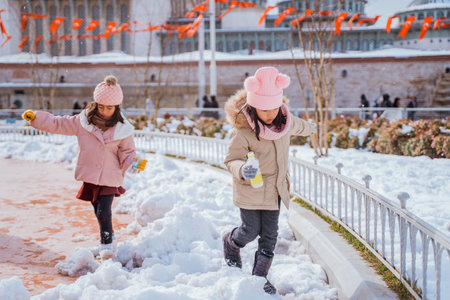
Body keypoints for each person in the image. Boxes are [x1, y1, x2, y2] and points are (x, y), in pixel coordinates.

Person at [21, 75, 147, 261]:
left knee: (105, 211)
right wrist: (37, 118)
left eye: (109, 108)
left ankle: (106, 244)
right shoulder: (83, 122)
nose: (105, 111)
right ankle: (110, 237)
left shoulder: (123, 129)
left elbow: (127, 153)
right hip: (90, 174)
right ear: (96, 104)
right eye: (101, 107)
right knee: (97, 210)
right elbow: (58, 123)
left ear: (117, 108)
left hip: (110, 175)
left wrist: (135, 163)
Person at [222, 67, 314, 294]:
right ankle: (231, 242)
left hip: (275, 191)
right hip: (251, 190)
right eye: (264, 110)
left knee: (270, 236)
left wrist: (312, 129)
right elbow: (231, 159)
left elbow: (300, 126)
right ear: (253, 107)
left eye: (274, 107)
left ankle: (259, 277)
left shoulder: (285, 123)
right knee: (250, 231)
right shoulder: (243, 132)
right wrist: (242, 169)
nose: (270, 113)